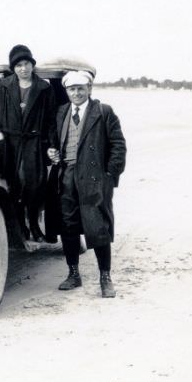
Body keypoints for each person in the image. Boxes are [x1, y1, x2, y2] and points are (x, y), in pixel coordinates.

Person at [47, 70, 127, 297]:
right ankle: (73, 274)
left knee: (98, 226)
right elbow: (54, 141)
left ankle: (105, 278)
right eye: (72, 89)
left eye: (81, 88)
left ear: (89, 89)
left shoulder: (103, 112)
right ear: (67, 91)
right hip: (66, 176)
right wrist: (52, 152)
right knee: (68, 226)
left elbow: (118, 145)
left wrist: (109, 176)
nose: (77, 93)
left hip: (94, 179)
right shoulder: (61, 112)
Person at [0, 44, 57, 242]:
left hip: (34, 143)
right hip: (10, 144)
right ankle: (20, 227)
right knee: (13, 185)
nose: (23, 68)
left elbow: (51, 120)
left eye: (26, 64)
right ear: (13, 68)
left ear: (32, 65)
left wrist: (52, 144)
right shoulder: (3, 86)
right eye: (18, 65)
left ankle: (33, 224)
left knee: (35, 185)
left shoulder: (44, 88)